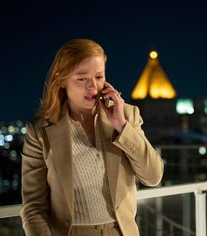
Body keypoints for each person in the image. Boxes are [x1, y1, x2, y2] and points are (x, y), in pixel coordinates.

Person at [20, 38, 164, 236]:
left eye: (99, 77)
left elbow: (153, 176)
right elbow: (33, 206)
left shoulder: (127, 116)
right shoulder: (40, 131)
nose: (93, 86)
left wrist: (121, 126)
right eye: (81, 78)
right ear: (61, 79)